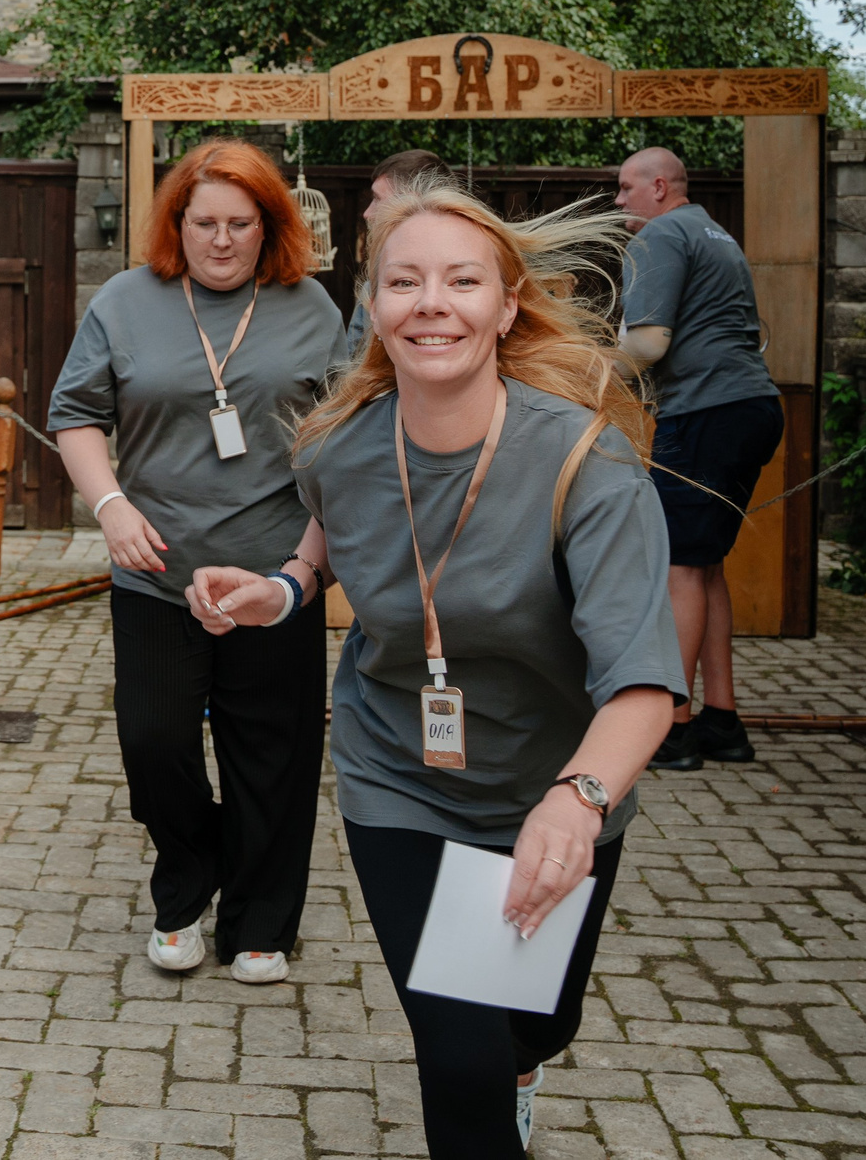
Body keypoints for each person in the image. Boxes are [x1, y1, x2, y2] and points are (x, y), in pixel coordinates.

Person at [193, 178, 681, 1159]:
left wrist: (577, 800)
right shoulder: (336, 444)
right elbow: (331, 535)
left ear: (504, 308)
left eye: (462, 281)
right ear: (371, 306)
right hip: (398, 778)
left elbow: (642, 683)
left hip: (559, 783)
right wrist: (283, 591)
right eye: (403, 281)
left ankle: (526, 1061)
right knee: (460, 1059)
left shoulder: (588, 463)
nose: (430, 303)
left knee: (532, 1026)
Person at [48, 139, 347, 985]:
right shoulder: (124, 301)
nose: (221, 240)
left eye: (240, 224)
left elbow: (342, 443)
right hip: (157, 571)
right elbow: (75, 414)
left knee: (273, 755)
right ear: (178, 223)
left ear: (269, 227)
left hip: (272, 574)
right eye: (205, 221)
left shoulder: (310, 307)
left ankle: (260, 921)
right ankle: (189, 878)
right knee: (155, 744)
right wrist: (110, 507)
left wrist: (306, 568)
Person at [611, 147, 785, 771]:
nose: (619, 201)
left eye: (628, 188)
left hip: (706, 410)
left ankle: (672, 730)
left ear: (660, 187)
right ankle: (723, 721)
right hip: (753, 405)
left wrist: (583, 376)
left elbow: (648, 342)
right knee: (705, 566)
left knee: (679, 565)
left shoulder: (660, 235)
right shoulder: (715, 231)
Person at [347, 149, 449, 356]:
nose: (367, 213)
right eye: (403, 284)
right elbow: (353, 371)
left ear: (411, 201)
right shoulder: (372, 287)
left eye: (377, 199)